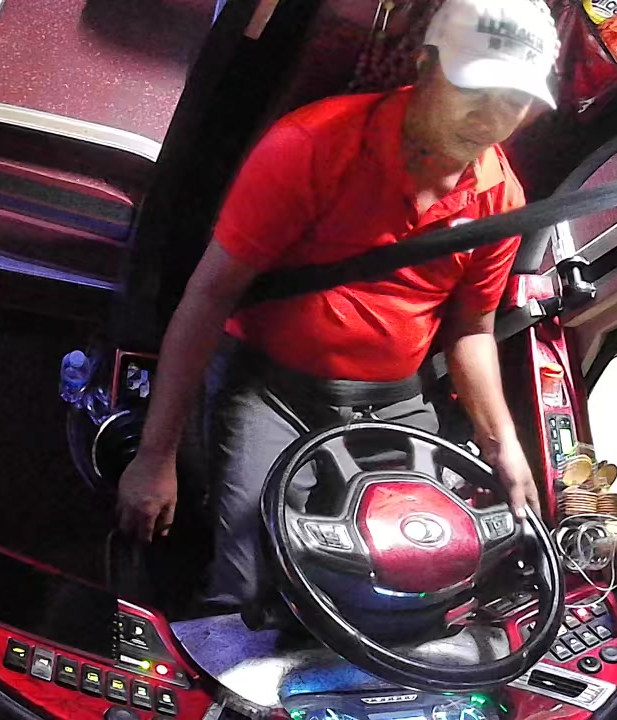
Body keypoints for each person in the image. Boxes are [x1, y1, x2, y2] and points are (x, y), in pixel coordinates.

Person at [116, 0, 561, 611]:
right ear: (425, 64)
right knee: (247, 587)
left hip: (396, 404)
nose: (490, 117)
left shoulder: (501, 199)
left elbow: (471, 329)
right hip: (272, 389)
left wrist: (503, 444)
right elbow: (210, 294)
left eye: (513, 100)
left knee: (419, 582)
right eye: (473, 88)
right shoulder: (312, 146)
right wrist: (154, 454)